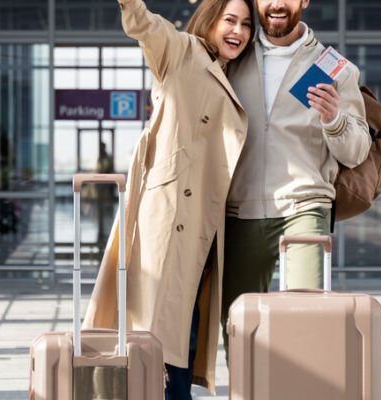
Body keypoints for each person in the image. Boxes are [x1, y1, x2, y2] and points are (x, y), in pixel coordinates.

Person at [82, 0, 254, 398]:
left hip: (202, 225)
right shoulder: (181, 50)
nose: (238, 31)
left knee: (180, 329)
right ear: (210, 20)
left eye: (246, 24)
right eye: (230, 20)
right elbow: (144, 26)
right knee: (160, 331)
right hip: (170, 217)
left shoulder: (232, 74)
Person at [220, 0, 372, 354]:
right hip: (241, 208)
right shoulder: (232, 58)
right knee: (238, 328)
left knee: (307, 319)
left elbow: (357, 151)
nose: (276, 4)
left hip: (305, 204)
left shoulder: (333, 68)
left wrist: (334, 119)